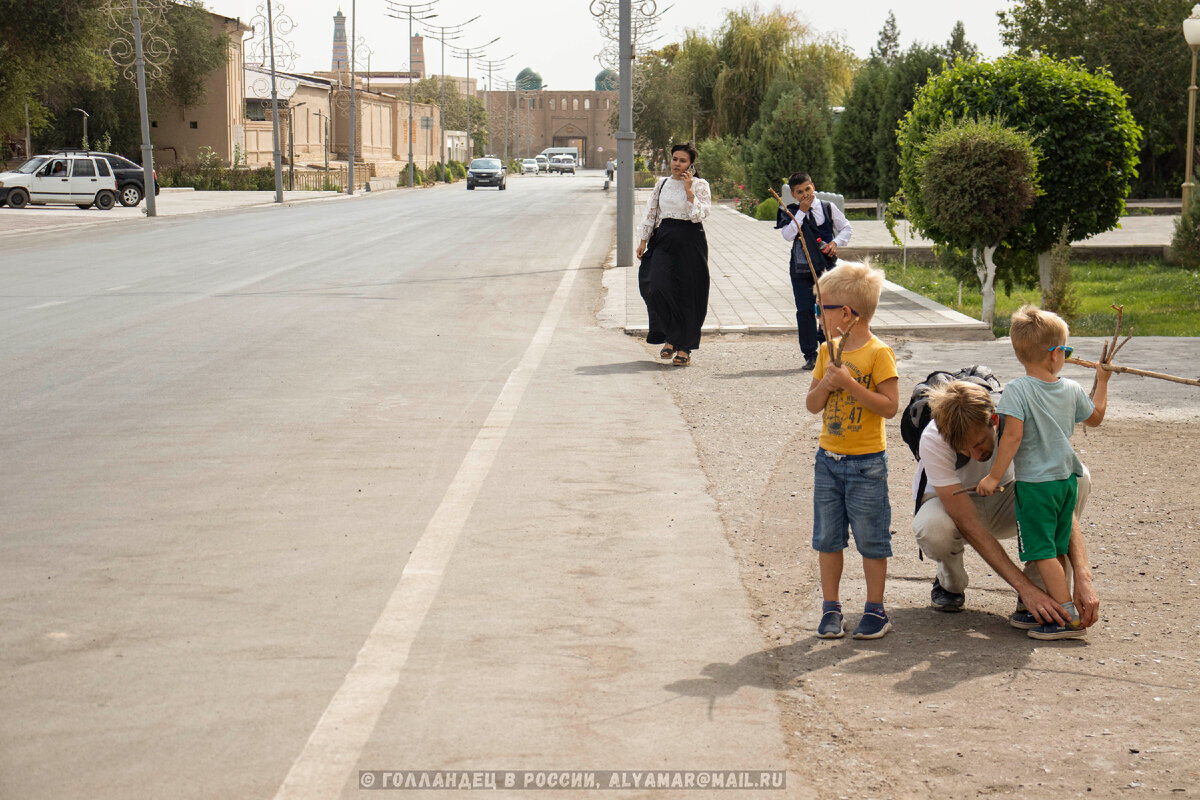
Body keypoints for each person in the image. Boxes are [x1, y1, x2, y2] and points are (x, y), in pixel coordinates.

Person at [914, 380, 1102, 632]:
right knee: (932, 528)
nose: (974, 454)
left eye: (979, 443)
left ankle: (1040, 589)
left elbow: (1057, 499)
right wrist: (1022, 585)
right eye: (963, 449)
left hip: (1011, 496)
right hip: (958, 507)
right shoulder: (933, 437)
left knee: (1077, 479)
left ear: (994, 419)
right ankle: (951, 582)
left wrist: (1083, 576)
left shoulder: (1018, 419)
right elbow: (968, 523)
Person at [974, 306, 1111, 639]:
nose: (1066, 356)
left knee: (1042, 551)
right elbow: (1096, 417)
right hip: (1068, 481)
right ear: (1054, 355)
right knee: (1058, 543)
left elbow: (1013, 436)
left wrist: (993, 477)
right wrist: (1102, 381)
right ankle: (1063, 606)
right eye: (1066, 350)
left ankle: (1065, 616)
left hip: (1036, 485)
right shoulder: (1072, 389)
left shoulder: (1018, 390)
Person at [804, 262, 899, 639]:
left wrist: (850, 384)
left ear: (845, 314)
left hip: (867, 465)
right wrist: (828, 384)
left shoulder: (879, 353)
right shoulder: (827, 352)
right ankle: (831, 607)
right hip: (828, 460)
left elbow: (889, 406)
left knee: (872, 538)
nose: (816, 315)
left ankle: (875, 609)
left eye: (820, 308)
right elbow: (812, 405)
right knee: (827, 538)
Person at [636, 143, 712, 366]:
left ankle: (684, 347)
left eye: (683, 161)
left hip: (691, 241)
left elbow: (700, 215)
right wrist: (643, 240)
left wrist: (689, 191)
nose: (677, 164)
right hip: (664, 239)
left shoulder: (700, 185)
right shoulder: (662, 184)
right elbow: (651, 212)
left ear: (691, 164)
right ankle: (670, 335)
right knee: (655, 286)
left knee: (688, 294)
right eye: (675, 159)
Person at [777, 173, 852, 370]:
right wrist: (801, 212)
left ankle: (828, 348)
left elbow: (846, 228)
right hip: (801, 269)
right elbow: (788, 234)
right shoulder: (791, 211)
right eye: (799, 192)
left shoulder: (827, 208)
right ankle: (809, 354)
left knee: (830, 309)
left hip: (826, 268)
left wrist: (836, 243)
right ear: (793, 194)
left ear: (813, 186)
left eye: (807, 189)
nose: (805, 194)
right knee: (805, 310)